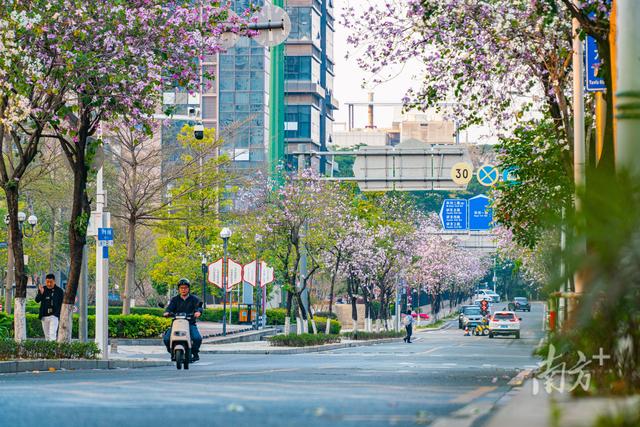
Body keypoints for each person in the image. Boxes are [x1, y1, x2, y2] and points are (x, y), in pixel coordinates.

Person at [163, 278, 203, 361]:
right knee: (166, 338)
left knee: (197, 338)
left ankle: (195, 353)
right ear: (178, 289)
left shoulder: (194, 299)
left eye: (185, 288)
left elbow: (199, 307)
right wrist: (167, 312)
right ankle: (172, 351)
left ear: (188, 289)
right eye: (181, 288)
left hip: (190, 323)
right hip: (176, 324)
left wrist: (198, 312)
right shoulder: (174, 299)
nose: (183, 290)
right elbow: (169, 308)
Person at [35, 274, 64, 341]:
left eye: (51, 282)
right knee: (47, 336)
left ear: (54, 281)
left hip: (54, 316)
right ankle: (48, 350)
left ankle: (53, 350)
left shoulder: (59, 291)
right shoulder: (43, 289)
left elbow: (61, 304)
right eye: (47, 282)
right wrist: (41, 293)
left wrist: (57, 314)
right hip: (44, 316)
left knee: (52, 334)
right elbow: (37, 300)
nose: (49, 284)